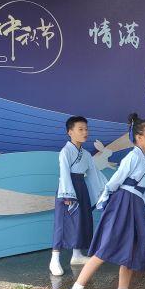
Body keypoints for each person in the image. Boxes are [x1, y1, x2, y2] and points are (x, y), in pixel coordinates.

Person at [59, 114, 145, 289]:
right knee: (105, 248)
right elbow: (115, 181)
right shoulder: (133, 157)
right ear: (139, 137)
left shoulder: (143, 156)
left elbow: (141, 191)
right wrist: (106, 200)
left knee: (131, 249)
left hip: (134, 205)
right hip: (124, 204)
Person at [50, 116, 107, 276]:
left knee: (82, 220)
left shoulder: (86, 154)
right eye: (80, 129)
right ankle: (54, 259)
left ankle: (77, 255)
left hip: (81, 187)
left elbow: (94, 174)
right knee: (62, 224)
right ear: (70, 132)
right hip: (67, 189)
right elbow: (64, 173)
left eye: (86, 129)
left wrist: (106, 189)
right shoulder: (65, 151)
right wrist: (68, 195)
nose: (85, 132)